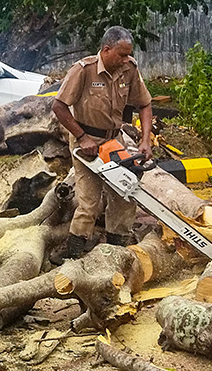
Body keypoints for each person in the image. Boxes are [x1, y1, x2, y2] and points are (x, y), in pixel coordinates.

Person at [51, 26, 154, 262]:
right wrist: (82, 137)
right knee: (89, 201)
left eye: (128, 54)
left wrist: (145, 140)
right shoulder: (83, 70)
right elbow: (59, 106)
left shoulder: (129, 69)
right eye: (121, 54)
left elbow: (145, 104)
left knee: (124, 194)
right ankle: (73, 252)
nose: (126, 59)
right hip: (86, 141)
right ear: (106, 50)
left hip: (114, 139)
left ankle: (117, 247)